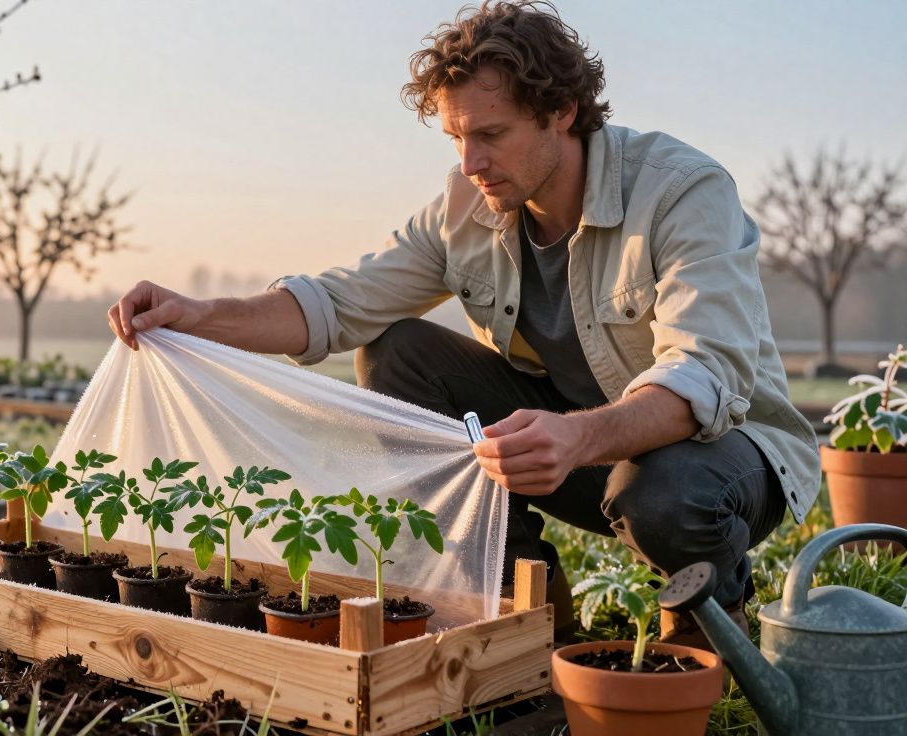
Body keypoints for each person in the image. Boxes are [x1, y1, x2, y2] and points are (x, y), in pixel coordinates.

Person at [106, 0, 818, 648]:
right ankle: (527, 609)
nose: (471, 162)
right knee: (397, 353)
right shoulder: (466, 207)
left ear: (562, 110)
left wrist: (576, 436)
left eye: (491, 134)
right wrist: (198, 316)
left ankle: (706, 622)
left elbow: (703, 375)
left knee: (660, 494)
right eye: (455, 137)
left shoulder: (681, 190)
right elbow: (336, 303)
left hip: (723, 454)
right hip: (569, 448)